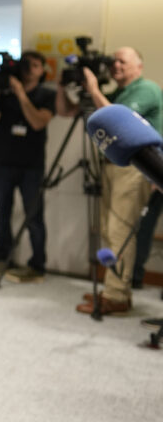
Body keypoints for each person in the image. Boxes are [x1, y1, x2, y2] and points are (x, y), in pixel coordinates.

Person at [57, 47, 163, 314]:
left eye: (122, 61)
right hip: (114, 166)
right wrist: (66, 87)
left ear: (138, 65)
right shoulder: (118, 93)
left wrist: (94, 89)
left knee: (120, 229)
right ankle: (113, 289)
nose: (115, 65)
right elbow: (66, 111)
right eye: (113, 60)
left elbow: (118, 124)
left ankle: (116, 296)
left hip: (135, 168)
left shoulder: (146, 88)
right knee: (108, 228)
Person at [0, 50, 55, 283]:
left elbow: (37, 122)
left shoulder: (46, 95)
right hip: (2, 163)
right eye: (26, 65)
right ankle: (4, 258)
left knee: (33, 217)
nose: (29, 69)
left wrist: (21, 94)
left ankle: (37, 265)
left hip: (31, 166)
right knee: (1, 215)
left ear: (43, 69)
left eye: (35, 65)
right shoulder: (3, 93)